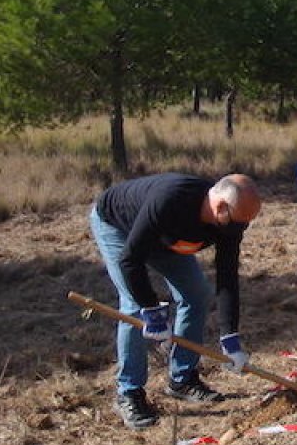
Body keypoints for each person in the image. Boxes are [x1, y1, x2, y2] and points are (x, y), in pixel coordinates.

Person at [90, 173, 262, 430]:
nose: (240, 230)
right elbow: (130, 260)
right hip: (119, 227)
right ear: (220, 207)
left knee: (196, 294)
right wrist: (151, 310)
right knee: (134, 307)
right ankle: (129, 392)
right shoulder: (170, 199)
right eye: (238, 223)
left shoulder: (230, 222)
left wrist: (230, 335)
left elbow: (227, 277)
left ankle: (182, 379)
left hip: (167, 238)